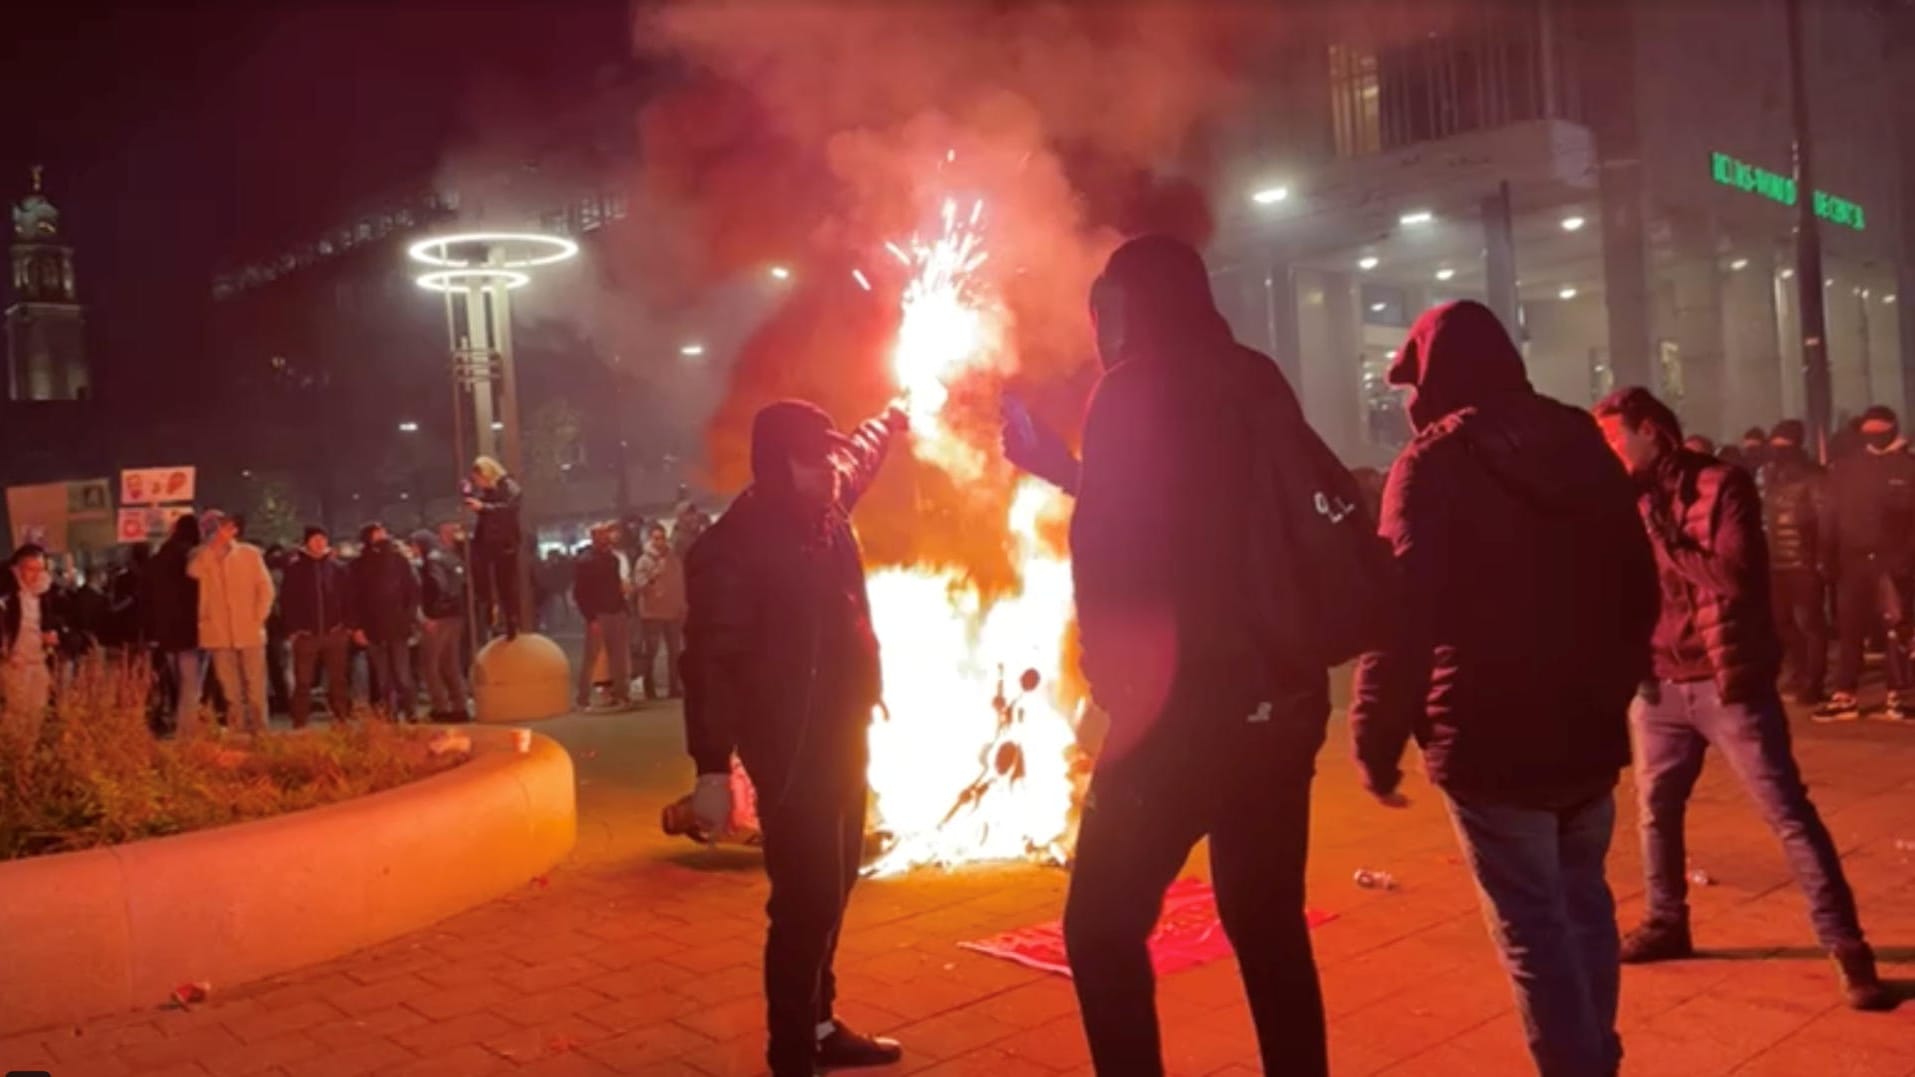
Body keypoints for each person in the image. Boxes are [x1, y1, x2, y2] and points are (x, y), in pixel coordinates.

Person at [1054, 236, 1339, 1077]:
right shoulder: (1253, 376)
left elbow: (1107, 544)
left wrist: (1108, 681)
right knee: (1265, 920)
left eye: (1108, 307)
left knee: (1098, 926)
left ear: (1131, 306)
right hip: (1281, 702)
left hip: (1180, 711)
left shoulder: (1130, 388)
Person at [1353, 303, 1658, 1077]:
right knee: (1582, 904)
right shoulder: (1580, 444)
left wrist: (1375, 735)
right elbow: (1637, 582)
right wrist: (1609, 683)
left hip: (1486, 733)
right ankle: (1598, 1055)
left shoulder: (1427, 465)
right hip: (1583, 725)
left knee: (1532, 927)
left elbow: (1402, 614)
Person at [1592, 387, 1892, 1012]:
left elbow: (1734, 577)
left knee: (1788, 814)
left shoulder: (1721, 485)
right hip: (1657, 684)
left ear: (1651, 431)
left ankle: (1847, 947)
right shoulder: (1621, 500)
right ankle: (1666, 920)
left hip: (1726, 682)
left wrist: (1660, 535)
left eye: (1616, 438)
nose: (1611, 451)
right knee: (1655, 813)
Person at [682, 398, 908, 1077]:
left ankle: (819, 1023)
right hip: (788, 748)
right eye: (818, 458)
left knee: (834, 885)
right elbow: (709, 663)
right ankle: (790, 1056)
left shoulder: (826, 511)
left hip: (844, 732)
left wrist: (889, 420)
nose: (834, 468)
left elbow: (858, 454)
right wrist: (712, 769)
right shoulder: (731, 546)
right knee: (803, 901)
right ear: (783, 464)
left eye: (834, 456)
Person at [1817, 404, 1915, 722]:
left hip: (1894, 563)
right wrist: (1827, 557)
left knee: (1897, 629)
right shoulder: (1846, 468)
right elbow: (1829, 516)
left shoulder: (1908, 466)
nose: (1873, 435)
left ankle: (1898, 695)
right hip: (1852, 561)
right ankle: (1845, 694)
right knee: (1850, 630)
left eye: (1878, 429)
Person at [187, 511, 276, 734]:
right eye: (216, 528)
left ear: (235, 530)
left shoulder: (250, 554)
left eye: (225, 527)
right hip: (217, 631)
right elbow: (193, 572)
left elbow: (266, 589)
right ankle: (238, 729)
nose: (220, 532)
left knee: (255, 686)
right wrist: (212, 549)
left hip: (249, 629)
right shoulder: (202, 554)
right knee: (230, 689)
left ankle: (260, 730)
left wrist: (258, 616)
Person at [1760, 420, 1829, 706]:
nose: (1778, 450)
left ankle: (1814, 682)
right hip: (1776, 562)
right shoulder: (1770, 476)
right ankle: (1798, 672)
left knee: (1811, 624)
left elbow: (1825, 521)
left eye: (1783, 444)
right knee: (1783, 622)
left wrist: (1822, 558)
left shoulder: (1815, 477)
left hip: (1804, 562)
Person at [281, 526, 353, 728]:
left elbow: (349, 598)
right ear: (307, 542)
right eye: (315, 539)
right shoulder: (295, 570)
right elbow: (287, 601)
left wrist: (347, 626)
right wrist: (293, 630)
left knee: (338, 680)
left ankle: (341, 718)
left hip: (335, 633)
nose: (319, 543)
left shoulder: (338, 568)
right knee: (303, 681)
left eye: (323, 538)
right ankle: (300, 721)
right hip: (306, 635)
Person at [349, 522, 421, 721]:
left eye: (383, 532)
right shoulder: (358, 565)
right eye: (376, 533)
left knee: (402, 674)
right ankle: (390, 713)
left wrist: (409, 618)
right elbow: (353, 598)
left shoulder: (398, 561)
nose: (382, 536)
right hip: (373, 628)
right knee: (382, 677)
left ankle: (410, 711)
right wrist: (356, 627)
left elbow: (412, 591)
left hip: (398, 627)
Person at [145, 514, 204, 733]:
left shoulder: (158, 559)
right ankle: (187, 729)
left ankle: (184, 723)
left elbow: (148, 597)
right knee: (191, 681)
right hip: (190, 629)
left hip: (165, 630)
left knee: (179, 680)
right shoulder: (193, 557)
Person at [0, 545, 60, 737]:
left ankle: (29, 755)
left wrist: (51, 635)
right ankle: (14, 756)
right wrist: (6, 652)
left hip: (39, 661)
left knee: (37, 712)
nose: (36, 575)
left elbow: (52, 621)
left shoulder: (44, 594)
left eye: (40, 569)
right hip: (15, 663)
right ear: (18, 569)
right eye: (30, 569)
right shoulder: (8, 596)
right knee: (16, 715)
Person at [573, 522, 632, 710]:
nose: (606, 537)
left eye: (606, 534)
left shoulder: (611, 559)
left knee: (618, 658)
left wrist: (623, 609)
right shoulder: (586, 561)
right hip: (599, 614)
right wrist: (591, 618)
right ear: (594, 537)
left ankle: (621, 695)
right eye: (602, 534)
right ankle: (583, 698)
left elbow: (616, 586)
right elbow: (580, 592)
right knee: (592, 657)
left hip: (615, 611)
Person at [412, 529, 469, 721]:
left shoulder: (431, 562)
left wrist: (431, 614)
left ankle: (441, 707)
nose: (412, 550)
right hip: (456, 615)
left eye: (414, 545)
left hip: (437, 618)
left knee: (429, 664)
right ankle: (460, 706)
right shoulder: (449, 557)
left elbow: (437, 586)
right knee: (450, 663)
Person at [467, 456, 523, 639]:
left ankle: (510, 620)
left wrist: (484, 507)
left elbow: (510, 508)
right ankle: (496, 618)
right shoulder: (490, 492)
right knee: (490, 582)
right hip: (489, 544)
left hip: (503, 544)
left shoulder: (508, 486)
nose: (478, 484)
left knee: (505, 583)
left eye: (478, 479)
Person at [635, 523, 688, 700]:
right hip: (652, 613)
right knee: (651, 651)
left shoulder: (674, 559)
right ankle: (649, 688)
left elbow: (679, 584)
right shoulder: (644, 560)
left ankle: (674, 687)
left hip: (673, 612)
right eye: (656, 538)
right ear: (651, 539)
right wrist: (653, 576)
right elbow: (639, 585)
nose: (660, 542)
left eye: (662, 538)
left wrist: (682, 604)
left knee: (675, 652)